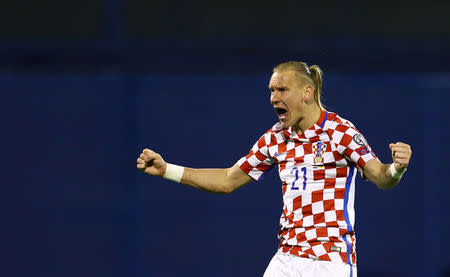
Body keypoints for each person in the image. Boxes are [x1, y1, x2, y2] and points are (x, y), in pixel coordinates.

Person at [136, 61, 412, 277]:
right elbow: (227, 180)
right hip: (287, 259)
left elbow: (381, 177)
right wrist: (167, 170)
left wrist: (396, 169)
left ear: (307, 92)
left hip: (329, 260)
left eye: (282, 90)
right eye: (271, 90)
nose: (273, 98)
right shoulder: (275, 138)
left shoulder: (340, 132)